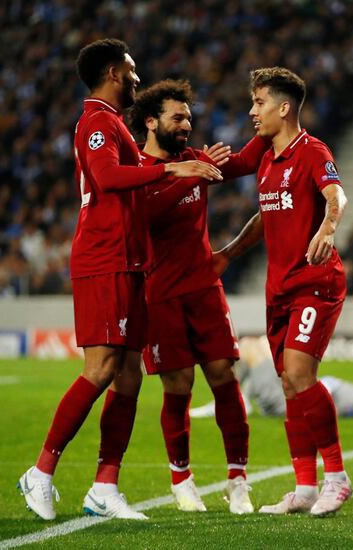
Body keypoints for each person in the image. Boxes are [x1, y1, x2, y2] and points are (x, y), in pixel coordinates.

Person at [17, 38, 222, 522]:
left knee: (129, 375)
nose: (137, 78)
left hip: (130, 261)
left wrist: (182, 173)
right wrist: (174, 167)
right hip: (103, 257)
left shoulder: (115, 126)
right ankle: (41, 471)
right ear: (113, 72)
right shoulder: (95, 123)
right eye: (132, 71)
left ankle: (104, 486)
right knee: (102, 367)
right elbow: (108, 179)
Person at [214, 67, 351, 516]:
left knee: (298, 372)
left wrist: (328, 226)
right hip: (280, 290)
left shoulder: (312, 151)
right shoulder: (264, 154)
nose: (252, 112)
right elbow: (263, 213)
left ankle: (337, 477)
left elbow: (336, 195)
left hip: (316, 282)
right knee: (289, 386)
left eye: (259, 103)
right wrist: (229, 252)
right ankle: (306, 487)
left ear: (284, 107)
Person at [128, 79, 270, 514]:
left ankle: (238, 479)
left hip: (204, 288)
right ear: (152, 122)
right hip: (160, 294)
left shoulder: (197, 160)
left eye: (189, 116)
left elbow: (244, 163)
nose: (187, 123)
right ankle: (181, 478)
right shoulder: (133, 168)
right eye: (178, 116)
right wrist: (182, 173)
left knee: (224, 377)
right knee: (179, 385)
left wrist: (271, 129)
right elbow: (144, 213)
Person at [191, 337, 353, 419]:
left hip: (284, 400)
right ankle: (242, 400)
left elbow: (321, 404)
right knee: (260, 343)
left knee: (250, 347)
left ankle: (230, 403)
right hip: (291, 392)